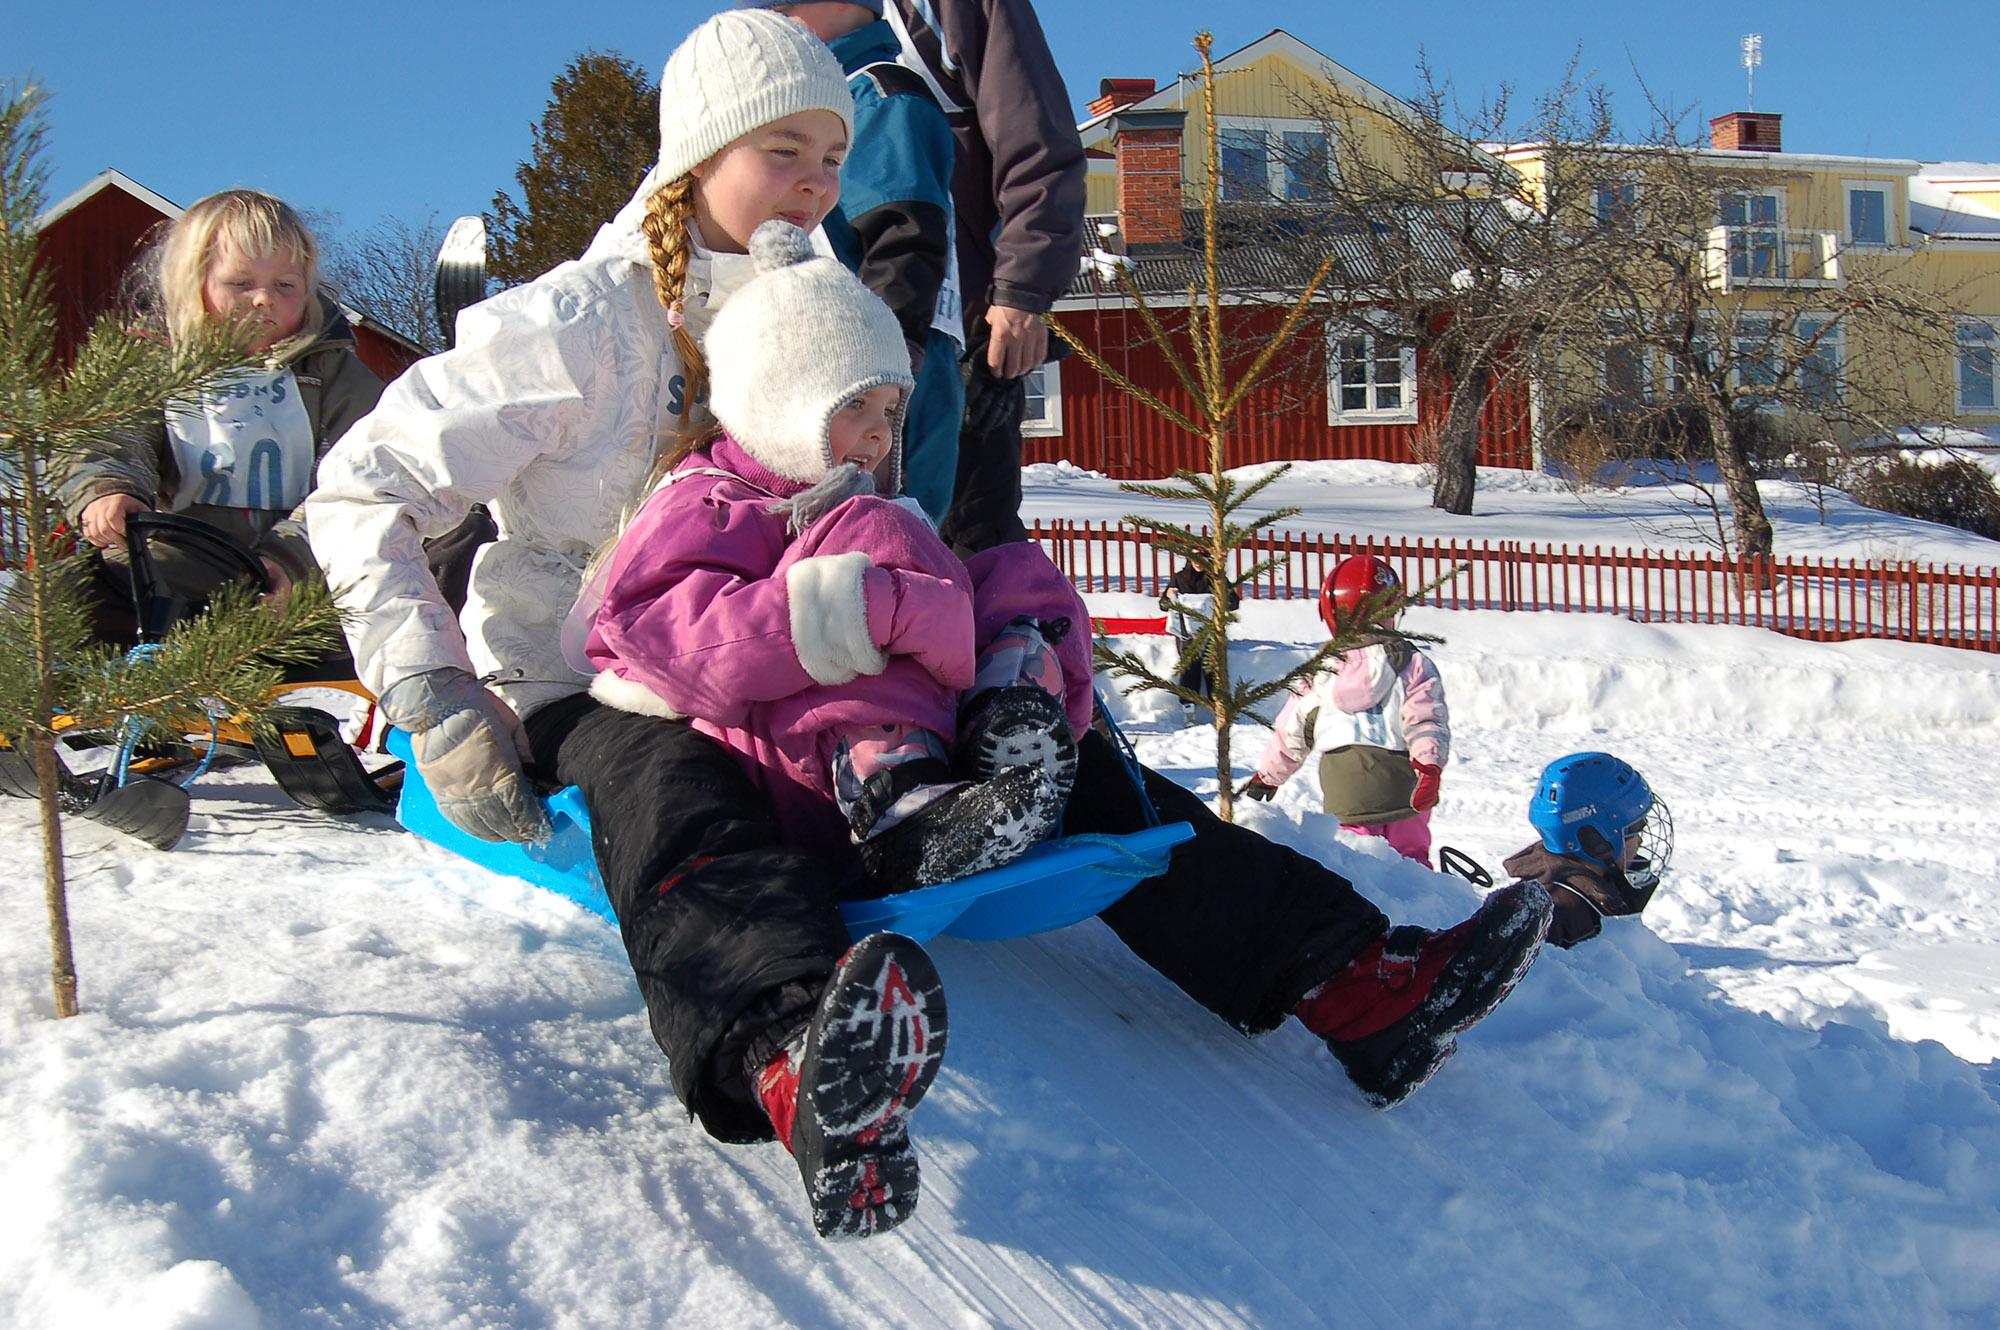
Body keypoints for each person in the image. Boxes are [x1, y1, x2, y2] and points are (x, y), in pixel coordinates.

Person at [308, 9, 1548, 1244]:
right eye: (778, 149)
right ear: (696, 156)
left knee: (1074, 778)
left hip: (803, 654)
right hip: (606, 666)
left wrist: (993, 654)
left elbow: (876, 508)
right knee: (665, 787)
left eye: (830, 156)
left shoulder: (819, 302)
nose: (812, 181)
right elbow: (367, 484)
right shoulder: (584, 320)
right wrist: (429, 686)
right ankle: (795, 1053)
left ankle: (1351, 982)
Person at [579, 220, 1082, 894]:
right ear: (784, 406)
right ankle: (897, 801)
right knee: (870, 537)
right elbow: (656, 633)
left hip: (915, 734)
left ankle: (1012, 722)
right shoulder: (713, 502)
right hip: (791, 765)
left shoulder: (857, 506)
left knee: (1013, 570)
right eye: (854, 407)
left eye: (890, 408)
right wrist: (863, 608)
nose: (878, 431)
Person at [58, 189, 383, 644]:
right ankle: (71, 705)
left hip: (310, 562)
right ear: (196, 284)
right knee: (59, 596)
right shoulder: (154, 363)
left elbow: (364, 469)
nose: (263, 299)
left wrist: (293, 556)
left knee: (439, 553)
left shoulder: (332, 372)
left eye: (285, 285)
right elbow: (113, 435)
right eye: (240, 283)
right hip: (188, 557)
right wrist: (108, 489)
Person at [736, 2, 965, 525]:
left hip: (883, 373)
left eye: (784, 19)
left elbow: (904, 239)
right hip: (889, 363)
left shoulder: (870, 95)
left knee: (878, 535)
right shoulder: (850, 97)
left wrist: (873, 373)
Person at [875, 0, 1088, 554]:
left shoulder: (953, 7)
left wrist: (1021, 294)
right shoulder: (787, 22)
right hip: (836, 345)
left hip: (961, 342)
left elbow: (1037, 145)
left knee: (971, 553)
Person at [1244, 556, 1448, 868]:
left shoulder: (1322, 671)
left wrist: (1269, 776)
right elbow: (1426, 719)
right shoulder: (1414, 663)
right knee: (1412, 863)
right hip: (1406, 785)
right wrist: (1428, 765)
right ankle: (1424, 909)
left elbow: (1292, 730)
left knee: (1356, 862)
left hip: (1347, 787)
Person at [1505, 752, 1674, 950]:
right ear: (1595, 841)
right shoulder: (1556, 914)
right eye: (1634, 831)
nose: (1641, 840)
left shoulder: (1602, 889)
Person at [1159, 555, 1239, 711]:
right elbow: (1163, 605)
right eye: (1194, 559)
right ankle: (1188, 706)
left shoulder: (1217, 579)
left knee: (1213, 666)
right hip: (1186, 634)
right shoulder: (1180, 578)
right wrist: (1168, 596)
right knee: (1190, 666)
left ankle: (1218, 706)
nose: (1198, 563)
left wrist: (1223, 597)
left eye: (1202, 559)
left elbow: (1234, 603)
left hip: (1212, 632)